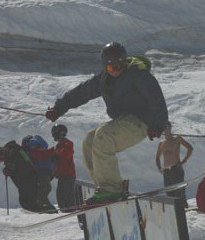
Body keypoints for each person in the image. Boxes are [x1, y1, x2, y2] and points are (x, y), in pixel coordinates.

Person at [45, 42, 168, 204]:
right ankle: (104, 187)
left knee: (103, 136)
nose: (116, 71)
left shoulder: (137, 75)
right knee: (89, 141)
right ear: (105, 66)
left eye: (119, 66)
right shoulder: (103, 80)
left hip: (142, 121)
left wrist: (158, 124)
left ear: (124, 62)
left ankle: (112, 189)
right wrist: (59, 108)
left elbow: (156, 99)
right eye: (111, 68)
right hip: (123, 121)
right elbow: (81, 92)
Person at [29, 124, 82, 212]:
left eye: (54, 134)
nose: (53, 136)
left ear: (59, 133)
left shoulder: (67, 143)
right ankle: (66, 211)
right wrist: (34, 151)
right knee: (60, 195)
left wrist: (56, 154)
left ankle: (72, 211)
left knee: (67, 195)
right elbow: (45, 154)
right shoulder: (57, 147)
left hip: (68, 176)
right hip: (62, 176)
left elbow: (67, 152)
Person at [0, 140, 55, 213]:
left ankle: (50, 214)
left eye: (1, 159)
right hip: (25, 181)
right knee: (25, 201)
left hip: (28, 179)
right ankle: (40, 216)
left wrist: (7, 170)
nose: (2, 161)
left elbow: (13, 164)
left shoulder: (12, 150)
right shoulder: (12, 150)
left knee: (33, 201)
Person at [155, 121, 193, 208]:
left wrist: (184, 160)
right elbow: (157, 157)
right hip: (166, 171)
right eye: (164, 128)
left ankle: (184, 210)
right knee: (169, 194)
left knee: (179, 193)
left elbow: (190, 148)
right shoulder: (161, 143)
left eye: (167, 127)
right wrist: (160, 168)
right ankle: (174, 212)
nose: (165, 130)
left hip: (176, 168)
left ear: (170, 128)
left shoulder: (177, 139)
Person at [22, 135, 56, 212]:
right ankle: (45, 207)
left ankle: (44, 207)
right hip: (47, 170)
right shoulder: (41, 146)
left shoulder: (32, 142)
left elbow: (34, 143)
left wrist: (31, 148)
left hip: (42, 169)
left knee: (44, 189)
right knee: (45, 188)